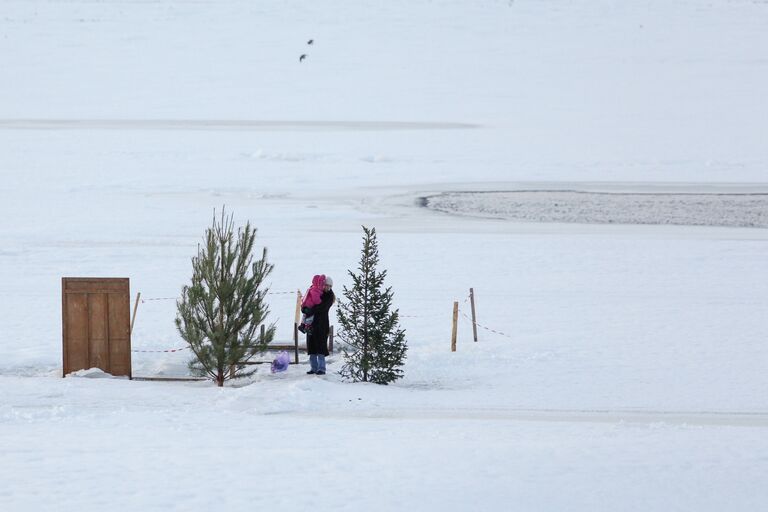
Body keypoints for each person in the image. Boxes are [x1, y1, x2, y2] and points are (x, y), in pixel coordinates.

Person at [306, 276, 335, 375]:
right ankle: (313, 368)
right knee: (312, 347)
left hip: (322, 324)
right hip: (311, 323)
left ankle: (321, 368)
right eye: (326, 285)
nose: (327, 287)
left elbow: (322, 307)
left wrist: (311, 309)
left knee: (321, 347)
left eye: (329, 286)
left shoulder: (329, 296)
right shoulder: (316, 291)